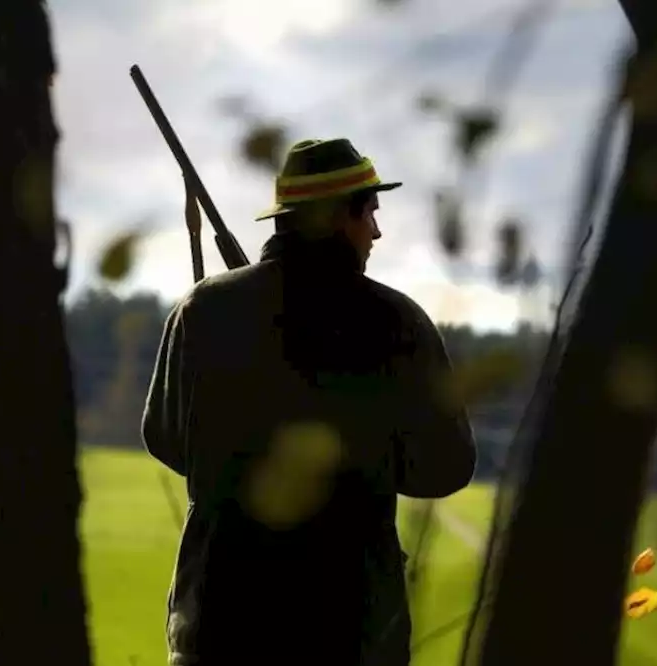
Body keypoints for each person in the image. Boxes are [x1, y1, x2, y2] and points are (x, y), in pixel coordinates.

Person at [142, 138, 477, 666]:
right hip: (353, 632)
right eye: (370, 213)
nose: (377, 231)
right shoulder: (400, 323)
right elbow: (444, 468)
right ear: (338, 217)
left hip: (220, 625)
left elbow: (165, 439)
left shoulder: (204, 310)